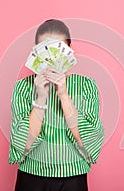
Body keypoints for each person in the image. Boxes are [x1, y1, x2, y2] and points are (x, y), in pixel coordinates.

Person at [8, 19, 105, 191]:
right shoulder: (23, 87)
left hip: (73, 178)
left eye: (58, 48)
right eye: (46, 48)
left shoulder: (86, 86)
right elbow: (23, 144)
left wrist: (63, 95)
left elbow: (88, 141)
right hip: (32, 177)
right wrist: (41, 97)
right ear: (37, 52)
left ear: (69, 50)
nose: (52, 56)